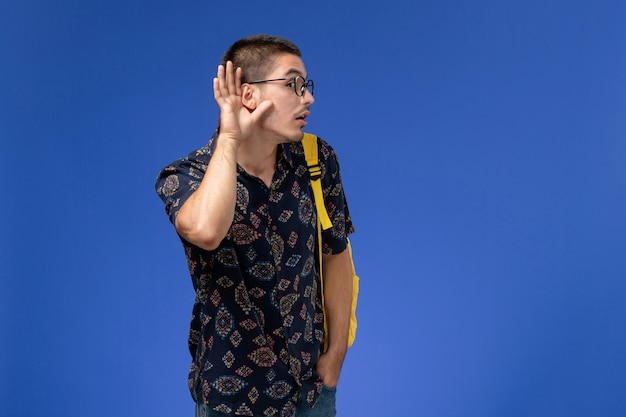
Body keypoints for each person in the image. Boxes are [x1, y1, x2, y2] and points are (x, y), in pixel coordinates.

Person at [155, 34, 355, 417]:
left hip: (311, 389)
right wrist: (230, 137)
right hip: (231, 399)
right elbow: (207, 231)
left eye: (307, 85)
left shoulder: (316, 159)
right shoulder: (186, 176)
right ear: (249, 95)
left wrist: (335, 359)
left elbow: (336, 253)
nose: (308, 97)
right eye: (293, 83)